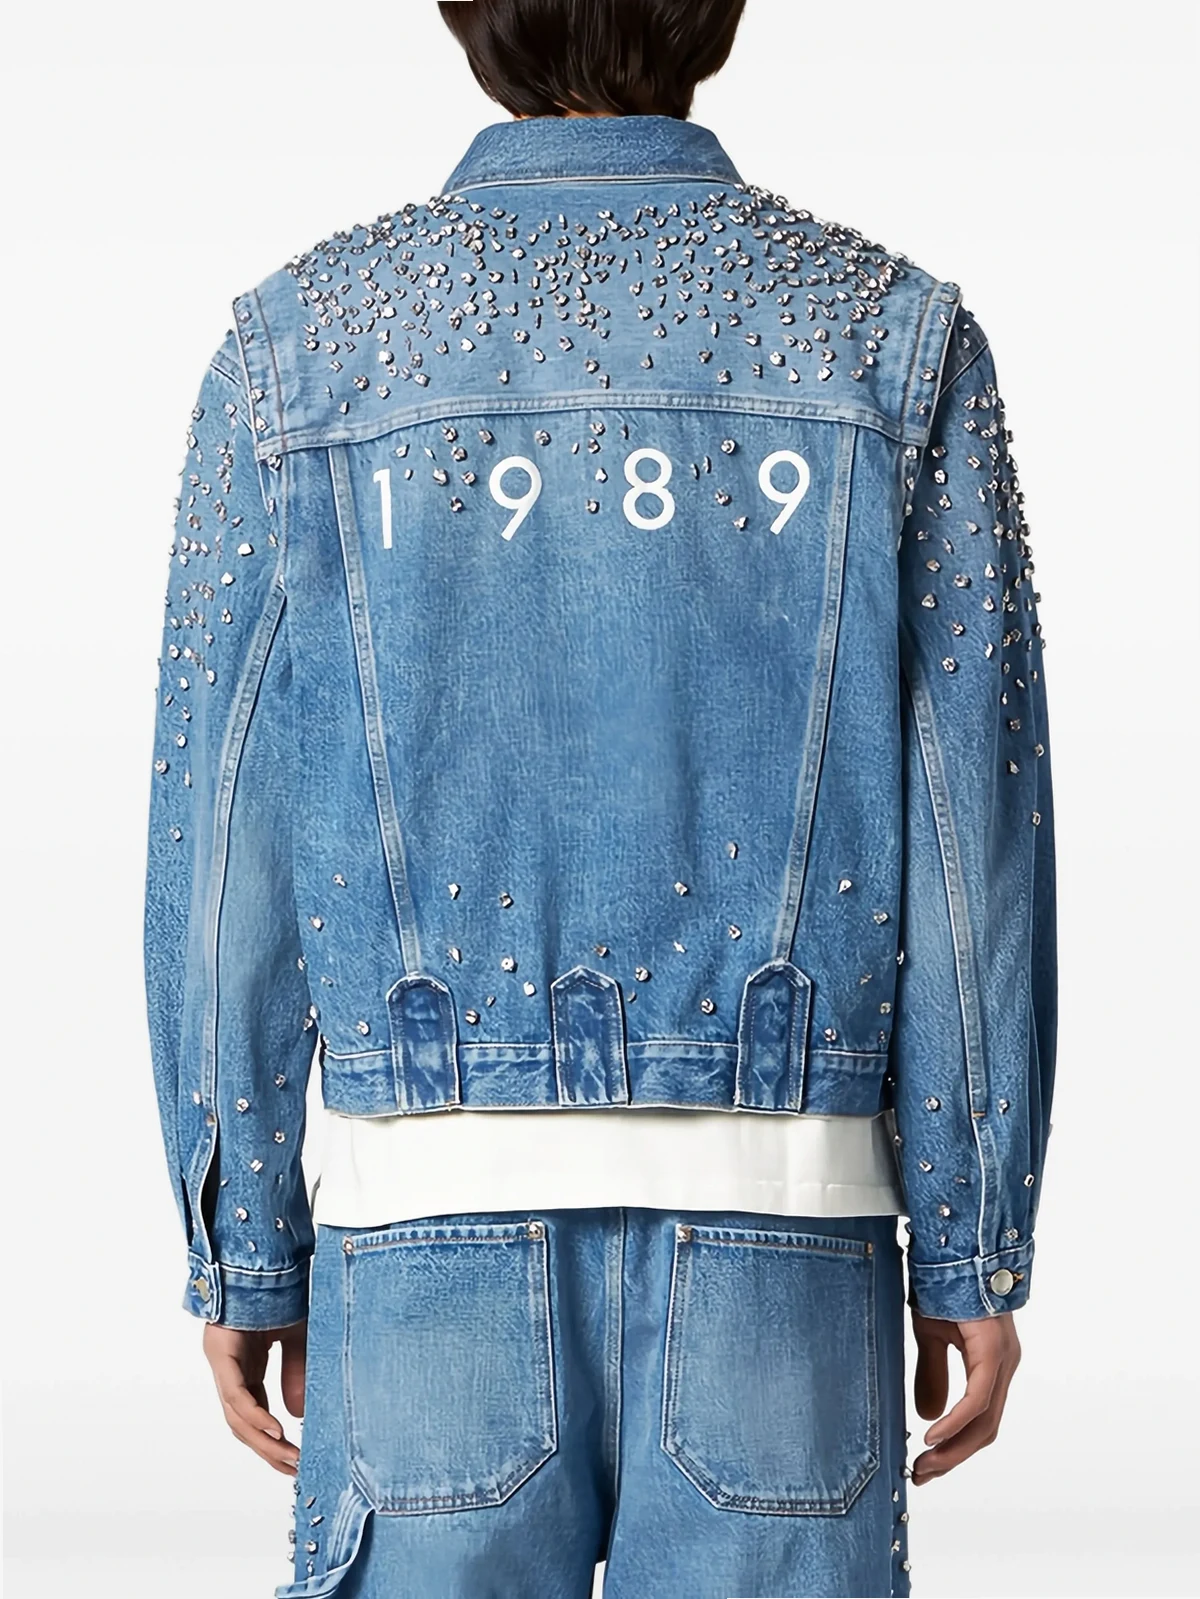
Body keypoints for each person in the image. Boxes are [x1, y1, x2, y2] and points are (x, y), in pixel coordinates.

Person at [142, 1, 1057, 1594]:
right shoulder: (893, 339)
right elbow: (972, 833)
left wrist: (243, 1245)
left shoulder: (297, 350)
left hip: (422, 1247)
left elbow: (224, 839)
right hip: (789, 1239)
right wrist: (974, 1234)